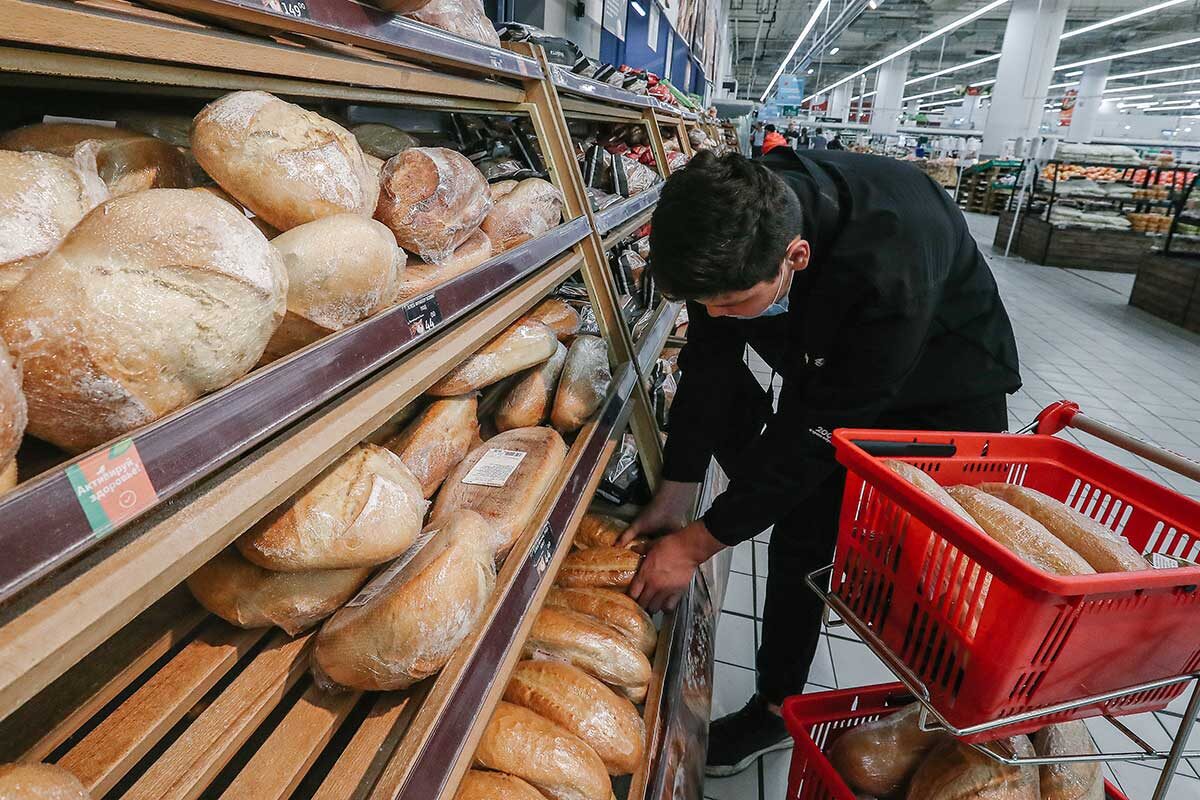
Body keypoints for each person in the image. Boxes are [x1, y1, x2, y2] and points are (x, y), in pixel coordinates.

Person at [623, 147, 1021, 777]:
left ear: (795, 259)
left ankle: (956, 730)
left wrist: (698, 544)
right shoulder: (735, 224)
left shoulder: (887, 263)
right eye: (706, 305)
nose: (718, 317)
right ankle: (777, 710)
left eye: (732, 303)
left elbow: (818, 436)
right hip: (836, 371)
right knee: (801, 538)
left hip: (943, 393)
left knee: (931, 569)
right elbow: (709, 368)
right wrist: (679, 488)